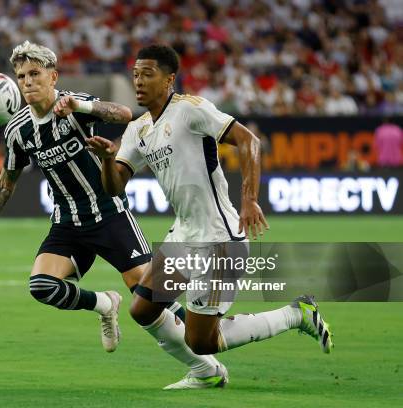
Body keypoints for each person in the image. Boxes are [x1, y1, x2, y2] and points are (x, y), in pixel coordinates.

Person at [0, 41, 223, 387]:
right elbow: (5, 184)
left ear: (53, 77)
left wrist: (80, 104)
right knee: (41, 286)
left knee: (155, 302)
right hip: (67, 225)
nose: (27, 81)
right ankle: (105, 305)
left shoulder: (73, 106)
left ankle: (206, 355)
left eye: (35, 74)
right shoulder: (17, 131)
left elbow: (124, 114)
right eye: (21, 76)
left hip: (110, 216)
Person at [87, 44, 334, 389]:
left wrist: (249, 200)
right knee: (143, 309)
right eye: (135, 75)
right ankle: (205, 372)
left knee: (202, 339)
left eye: (148, 74)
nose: (139, 82)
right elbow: (114, 189)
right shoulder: (138, 129)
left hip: (218, 239)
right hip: (185, 237)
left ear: (169, 79)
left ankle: (295, 314)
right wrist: (109, 160)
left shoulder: (191, 109)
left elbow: (249, 141)